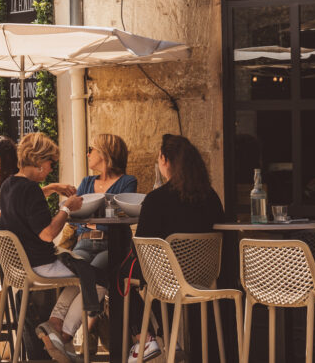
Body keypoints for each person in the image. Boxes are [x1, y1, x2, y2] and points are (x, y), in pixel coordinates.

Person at [126, 134, 225, 363]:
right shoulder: (210, 196)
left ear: (164, 159)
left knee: (121, 274)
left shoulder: (155, 199)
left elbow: (142, 247)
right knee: (164, 274)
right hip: (206, 279)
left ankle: (148, 339)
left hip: (168, 282)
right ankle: (167, 340)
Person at [40, 133, 138, 356]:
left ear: (104, 153)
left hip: (111, 244)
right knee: (77, 275)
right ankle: (56, 323)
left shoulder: (127, 181)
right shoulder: (87, 182)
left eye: (91, 149)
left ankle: (64, 334)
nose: (88, 153)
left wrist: (92, 212)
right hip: (84, 242)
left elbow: (122, 213)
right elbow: (76, 212)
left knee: (96, 277)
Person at [0, 132, 83, 361]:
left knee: (84, 270)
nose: (51, 168)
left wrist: (53, 188)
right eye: (50, 163)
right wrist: (67, 208)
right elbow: (47, 234)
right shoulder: (30, 190)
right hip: (40, 265)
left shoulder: (8, 185)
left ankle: (55, 330)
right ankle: (60, 334)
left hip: (18, 267)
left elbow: (24, 201)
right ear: (38, 161)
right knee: (93, 275)